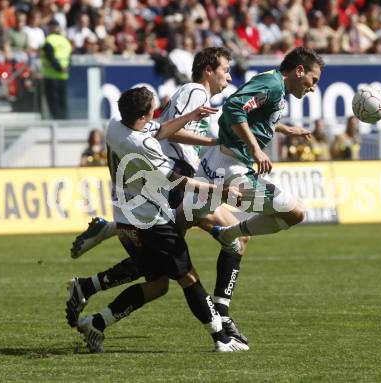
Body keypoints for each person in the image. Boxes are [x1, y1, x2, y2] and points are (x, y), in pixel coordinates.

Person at [67, 47, 250, 345]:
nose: (229, 75)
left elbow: (163, 127)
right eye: (225, 69)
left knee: (158, 282)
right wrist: (222, 190)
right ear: (208, 70)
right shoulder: (194, 93)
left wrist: (199, 125)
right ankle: (221, 325)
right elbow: (175, 173)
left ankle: (93, 305)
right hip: (158, 202)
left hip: (134, 209)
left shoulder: (115, 125)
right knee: (216, 252)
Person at [188, 47, 324, 246]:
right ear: (300, 71)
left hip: (219, 161)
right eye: (314, 80)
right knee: (296, 213)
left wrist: (285, 129)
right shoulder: (273, 85)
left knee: (181, 220)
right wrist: (256, 149)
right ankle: (229, 233)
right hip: (232, 169)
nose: (313, 87)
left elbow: (252, 115)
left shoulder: (274, 83)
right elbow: (234, 107)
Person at [40, 19, 72, 119]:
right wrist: (66, 68)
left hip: (51, 76)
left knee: (53, 103)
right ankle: (64, 121)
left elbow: (50, 58)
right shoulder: (65, 41)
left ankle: (57, 122)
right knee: (63, 102)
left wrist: (59, 68)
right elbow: (69, 57)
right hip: (63, 76)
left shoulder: (49, 40)